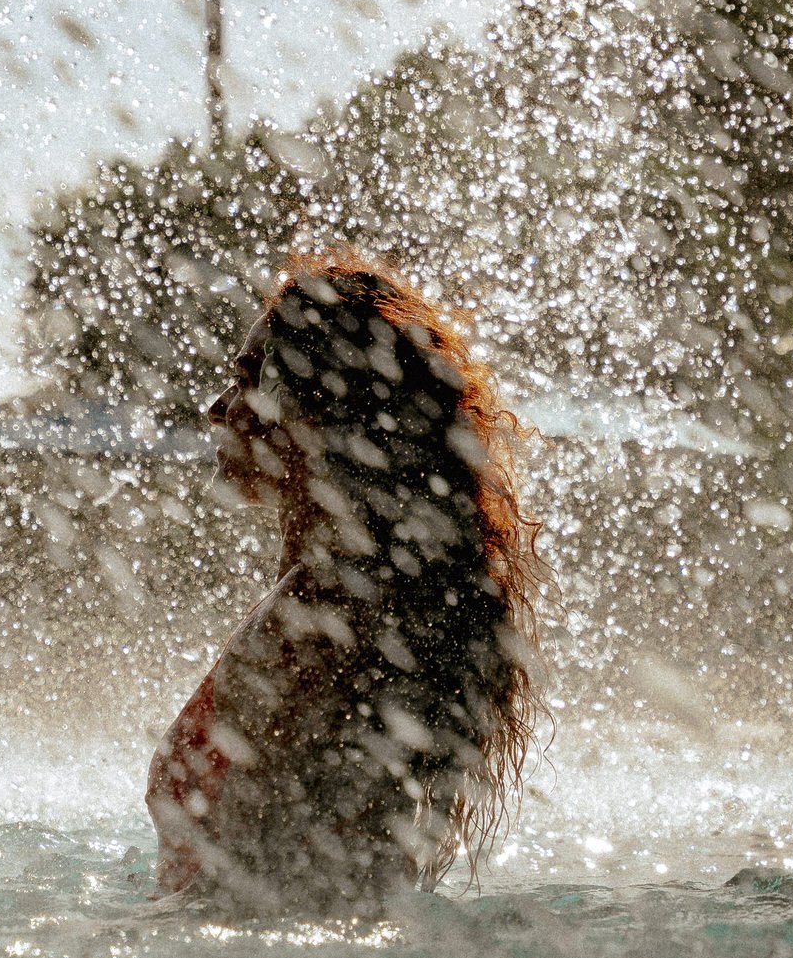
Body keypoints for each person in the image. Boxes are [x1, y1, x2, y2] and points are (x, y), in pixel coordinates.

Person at [145, 249, 544, 914]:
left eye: (249, 378)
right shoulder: (359, 596)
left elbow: (262, 883)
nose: (219, 409)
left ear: (319, 406)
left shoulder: (337, 611)